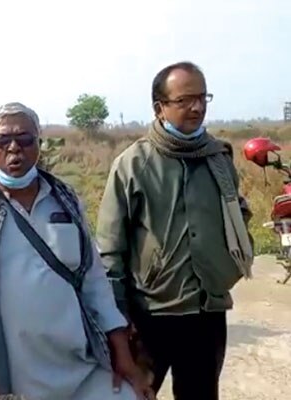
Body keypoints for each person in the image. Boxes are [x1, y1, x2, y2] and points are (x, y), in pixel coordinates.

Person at [0, 102, 155, 400]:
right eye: (3, 141)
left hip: (80, 371)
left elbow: (95, 283)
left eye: (25, 139)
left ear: (39, 145)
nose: (14, 148)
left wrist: (123, 356)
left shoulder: (65, 198)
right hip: (7, 385)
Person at [96, 61, 254, 400]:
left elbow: (235, 213)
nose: (197, 107)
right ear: (160, 107)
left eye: (202, 97)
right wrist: (119, 322)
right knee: (133, 394)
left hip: (206, 312)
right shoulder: (133, 165)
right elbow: (111, 249)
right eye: (184, 100)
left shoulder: (218, 158)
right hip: (150, 316)